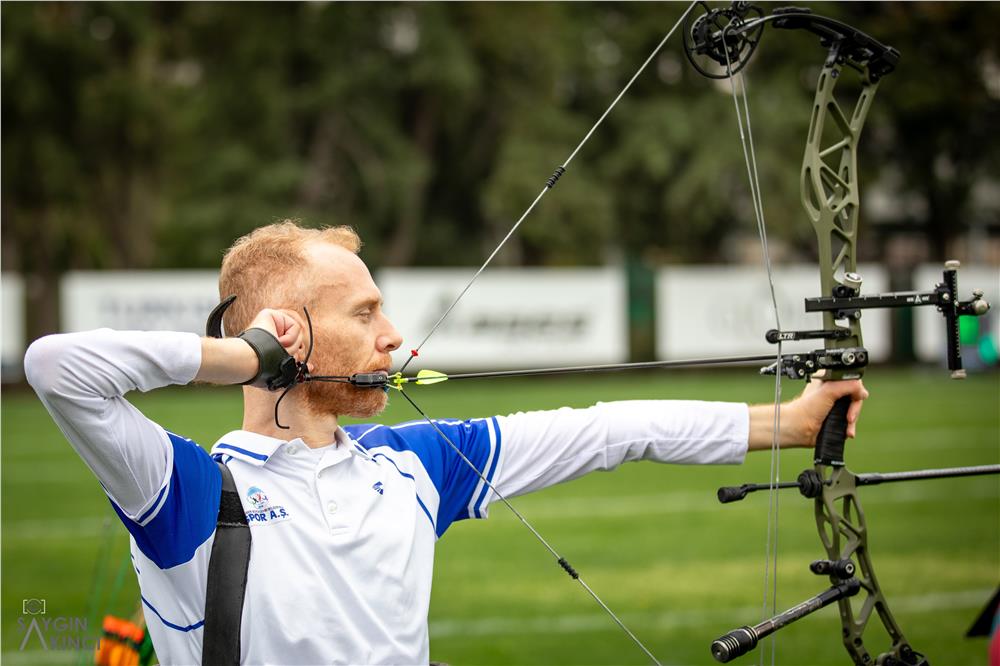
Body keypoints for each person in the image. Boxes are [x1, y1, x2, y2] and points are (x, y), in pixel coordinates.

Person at [25, 220, 868, 665]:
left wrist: (787, 426)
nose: (393, 337)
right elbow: (58, 367)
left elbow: (611, 430)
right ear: (287, 332)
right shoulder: (185, 490)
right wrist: (244, 357)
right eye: (364, 314)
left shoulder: (417, 464)